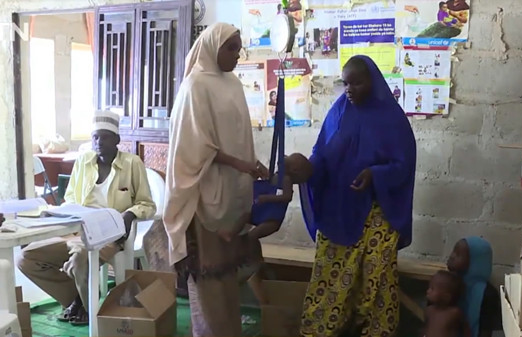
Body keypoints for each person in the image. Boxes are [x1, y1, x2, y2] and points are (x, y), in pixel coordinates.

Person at [299, 55, 417, 337]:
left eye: (357, 83)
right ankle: (320, 330)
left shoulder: (391, 119)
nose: (349, 89)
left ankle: (375, 331)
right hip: (339, 210)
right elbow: (322, 156)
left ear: (373, 82)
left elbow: (403, 164)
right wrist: (305, 168)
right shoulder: (338, 112)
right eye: (346, 83)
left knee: (376, 278)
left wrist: (374, 174)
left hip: (378, 211)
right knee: (330, 274)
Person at [163, 22, 268, 337]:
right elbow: (195, 146)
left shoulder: (233, 83)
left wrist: (250, 165)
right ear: (212, 47)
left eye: (239, 48)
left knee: (227, 275)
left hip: (231, 192)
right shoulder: (195, 86)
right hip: (204, 194)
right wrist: (241, 164)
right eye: (231, 48)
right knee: (208, 277)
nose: (237, 55)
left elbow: (238, 136)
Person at [17, 110, 156, 325]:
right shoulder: (83, 162)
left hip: (108, 235)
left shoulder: (132, 163)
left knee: (80, 258)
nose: (98, 142)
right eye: (95, 137)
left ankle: (88, 310)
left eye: (105, 136)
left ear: (117, 140)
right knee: (26, 258)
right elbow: (71, 197)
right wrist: (57, 213)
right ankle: (77, 300)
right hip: (76, 230)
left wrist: (129, 215)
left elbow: (147, 204)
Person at [235, 153, 313, 305]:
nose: (281, 161)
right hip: (263, 214)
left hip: (272, 219)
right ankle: (254, 258)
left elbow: (287, 197)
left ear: (294, 170)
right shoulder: (279, 175)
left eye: (287, 161)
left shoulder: (286, 179)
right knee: (248, 231)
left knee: (252, 236)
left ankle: (255, 261)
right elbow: (269, 179)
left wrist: (267, 198)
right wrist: (259, 167)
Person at [447, 237, 502, 337]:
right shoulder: (446, 283)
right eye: (453, 251)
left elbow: (486, 329)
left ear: (475, 260)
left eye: (458, 254)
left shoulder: (488, 294)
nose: (451, 256)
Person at [424, 270, 470, 337]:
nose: (428, 291)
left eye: (432, 288)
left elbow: (466, 329)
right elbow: (426, 328)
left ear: (446, 297)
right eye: (429, 287)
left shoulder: (454, 313)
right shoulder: (429, 310)